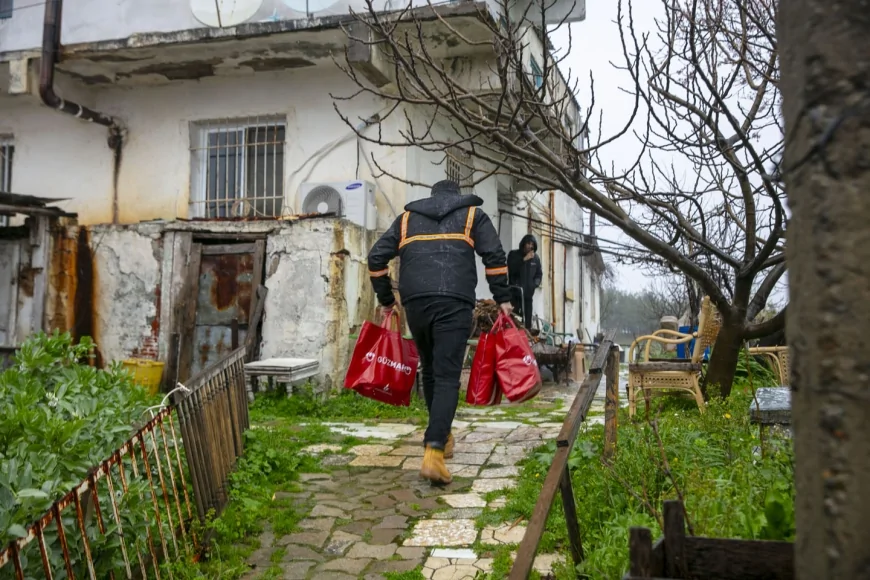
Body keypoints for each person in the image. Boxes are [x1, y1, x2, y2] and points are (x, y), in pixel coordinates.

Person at [367, 180, 513, 484]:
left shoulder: (407, 219)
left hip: (416, 303)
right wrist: (502, 297)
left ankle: (443, 437)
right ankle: (433, 451)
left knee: (432, 371)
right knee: (447, 375)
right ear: (456, 197)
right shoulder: (472, 215)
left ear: (432, 197)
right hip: (454, 302)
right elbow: (494, 256)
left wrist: (387, 299)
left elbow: (375, 258)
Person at [507, 234, 543, 329]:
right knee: (513, 321)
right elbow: (512, 269)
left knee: (527, 324)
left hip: (528, 295)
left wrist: (534, 285)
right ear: (523, 244)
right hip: (515, 295)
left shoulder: (536, 259)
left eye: (532, 244)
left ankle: (526, 336)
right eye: (528, 243)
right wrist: (524, 259)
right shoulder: (513, 254)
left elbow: (539, 274)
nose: (530, 246)